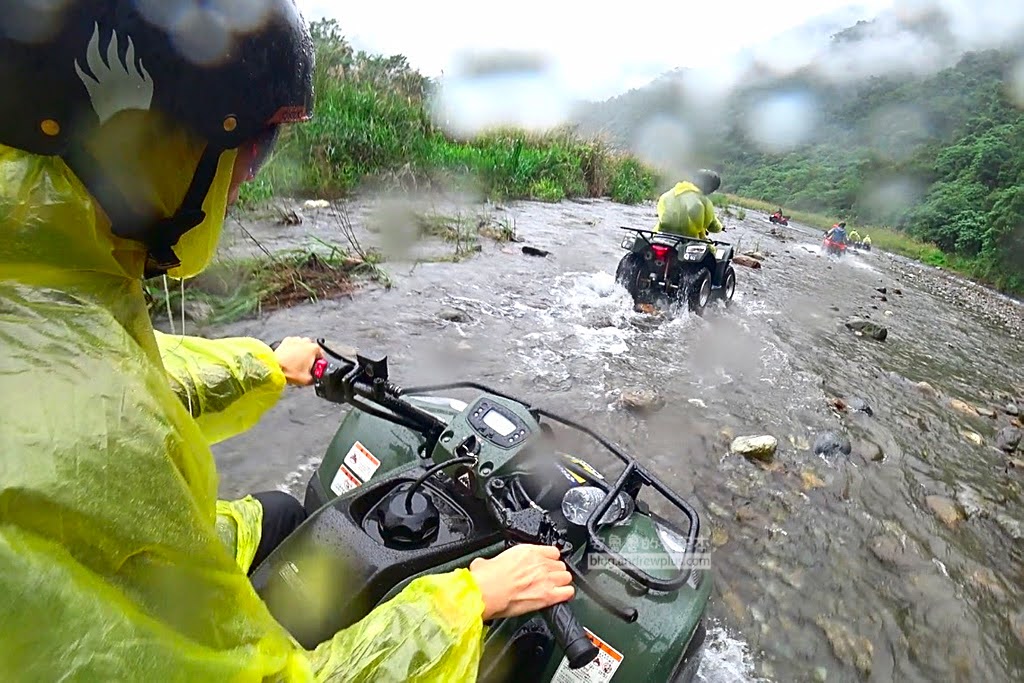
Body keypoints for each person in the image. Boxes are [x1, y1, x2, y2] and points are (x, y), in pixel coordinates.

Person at [0, 3, 573, 681]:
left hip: (98, 588)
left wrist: (266, 364)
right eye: (252, 145)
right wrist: (467, 601)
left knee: (276, 513)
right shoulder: (111, 432)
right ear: (148, 134)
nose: (249, 171)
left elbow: (126, 377)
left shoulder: (44, 280)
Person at [654, 169, 724, 244]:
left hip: (661, 235)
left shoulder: (669, 194)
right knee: (712, 251)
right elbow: (712, 225)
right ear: (709, 188)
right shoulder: (704, 202)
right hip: (689, 240)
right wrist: (721, 227)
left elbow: (661, 211)